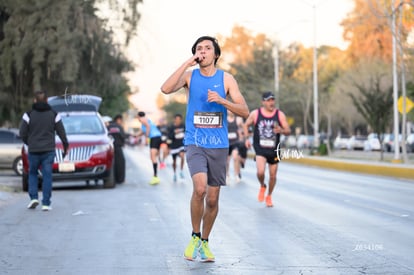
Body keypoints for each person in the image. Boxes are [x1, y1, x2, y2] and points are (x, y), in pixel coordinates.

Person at [160, 35, 249, 262]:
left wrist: (223, 101)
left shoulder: (226, 79)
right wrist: (186, 63)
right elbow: (166, 88)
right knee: (199, 190)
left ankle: (205, 241)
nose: (203, 51)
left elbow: (245, 111)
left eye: (208, 48)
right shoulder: (190, 77)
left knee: (212, 199)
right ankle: (194, 235)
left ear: (215, 54)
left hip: (218, 145)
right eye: (199, 49)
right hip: (195, 142)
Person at [19, 90, 69, 211]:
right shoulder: (54, 114)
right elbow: (62, 132)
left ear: (35, 100)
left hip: (34, 150)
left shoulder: (28, 115)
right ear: (47, 101)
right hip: (48, 150)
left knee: (32, 173)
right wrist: (65, 147)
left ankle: (33, 198)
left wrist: (29, 143)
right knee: (47, 175)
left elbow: (22, 133)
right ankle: (46, 203)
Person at [243, 91, 291, 208]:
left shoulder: (279, 115)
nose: (271, 102)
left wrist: (281, 130)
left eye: (273, 100)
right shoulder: (256, 114)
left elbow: (288, 131)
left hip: (274, 149)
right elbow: (245, 125)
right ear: (263, 102)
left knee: (273, 176)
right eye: (268, 100)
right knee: (260, 172)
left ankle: (269, 195)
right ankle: (262, 185)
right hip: (260, 149)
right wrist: (246, 139)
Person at [137, 111, 163, 185]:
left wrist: (147, 138)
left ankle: (155, 177)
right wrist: (135, 135)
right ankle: (156, 175)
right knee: (153, 157)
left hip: (154, 138)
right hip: (157, 137)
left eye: (137, 117)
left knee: (153, 157)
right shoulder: (145, 121)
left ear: (139, 116)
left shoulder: (142, 119)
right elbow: (142, 131)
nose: (138, 119)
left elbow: (148, 127)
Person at [107, 114, 127, 183]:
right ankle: (120, 179)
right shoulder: (119, 127)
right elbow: (123, 136)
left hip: (109, 148)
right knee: (120, 162)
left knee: (111, 163)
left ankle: (112, 178)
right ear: (119, 119)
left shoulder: (108, 127)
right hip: (118, 147)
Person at [226, 110, 244, 183]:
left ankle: (236, 174)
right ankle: (227, 175)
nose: (231, 111)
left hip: (235, 142)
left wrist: (242, 137)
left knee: (235, 157)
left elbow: (244, 128)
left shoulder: (238, 119)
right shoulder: (224, 119)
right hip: (227, 143)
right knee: (226, 160)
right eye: (229, 110)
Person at [168, 113, 186, 182]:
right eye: (176, 119)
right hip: (174, 146)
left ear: (181, 120)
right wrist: (175, 132)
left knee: (182, 156)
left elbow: (187, 133)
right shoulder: (171, 127)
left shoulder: (183, 126)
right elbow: (169, 137)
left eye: (179, 119)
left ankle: (181, 171)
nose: (178, 120)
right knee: (174, 161)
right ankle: (175, 173)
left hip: (181, 145)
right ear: (174, 120)